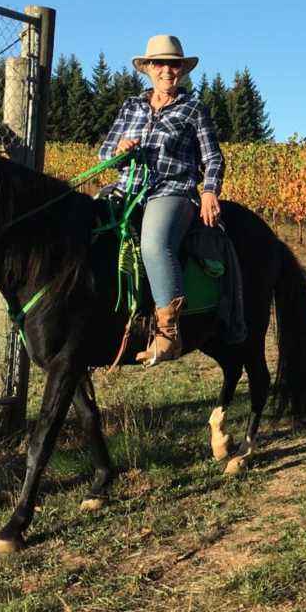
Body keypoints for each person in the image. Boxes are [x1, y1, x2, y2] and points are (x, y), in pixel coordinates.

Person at [99, 34, 225, 364]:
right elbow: (104, 153)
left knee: (154, 244)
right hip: (126, 188)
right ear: (148, 68)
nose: (166, 70)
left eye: (173, 64)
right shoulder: (131, 106)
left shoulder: (193, 108)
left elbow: (212, 158)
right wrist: (120, 149)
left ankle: (169, 333)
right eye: (159, 63)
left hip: (171, 190)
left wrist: (210, 190)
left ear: (181, 70)